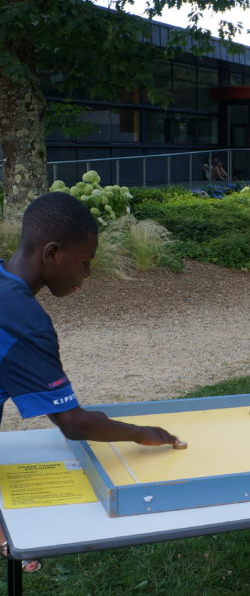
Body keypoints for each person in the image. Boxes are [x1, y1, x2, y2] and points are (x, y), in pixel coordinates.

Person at [0, 192, 179, 572]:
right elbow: (73, 424)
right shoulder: (22, 319)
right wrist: (142, 433)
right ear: (52, 254)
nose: (88, 274)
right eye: (85, 262)